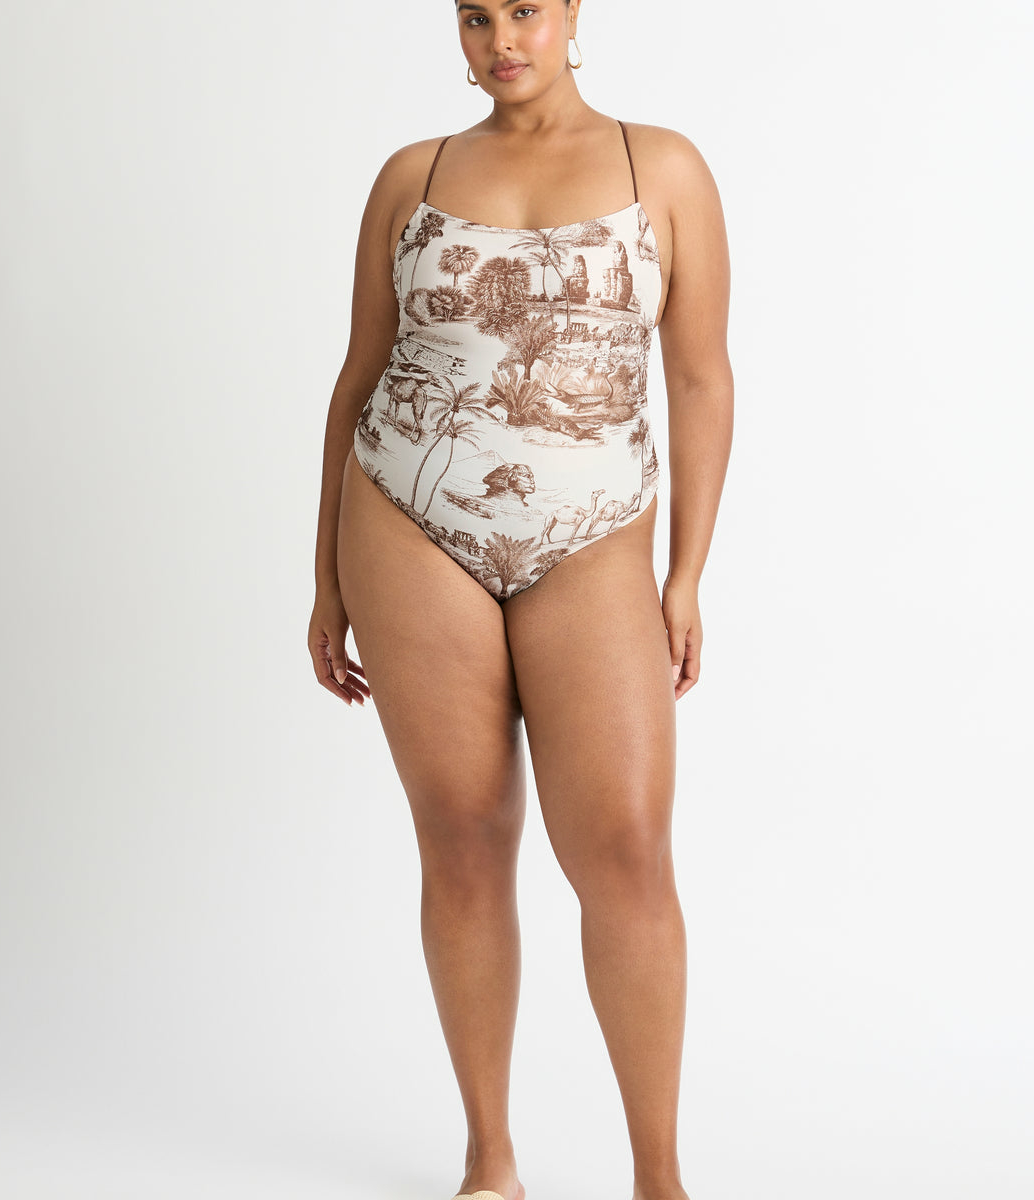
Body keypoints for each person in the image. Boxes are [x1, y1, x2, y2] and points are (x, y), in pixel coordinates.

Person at [308, 3, 732, 1198]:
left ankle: (659, 1177)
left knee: (626, 853)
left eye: (527, 10)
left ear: (574, 12)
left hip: (594, 538)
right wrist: (325, 578)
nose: (503, 37)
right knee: (462, 835)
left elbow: (701, 376)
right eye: (477, 15)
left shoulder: (665, 168)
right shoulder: (412, 178)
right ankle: (490, 1158)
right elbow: (359, 376)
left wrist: (686, 572)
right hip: (409, 522)